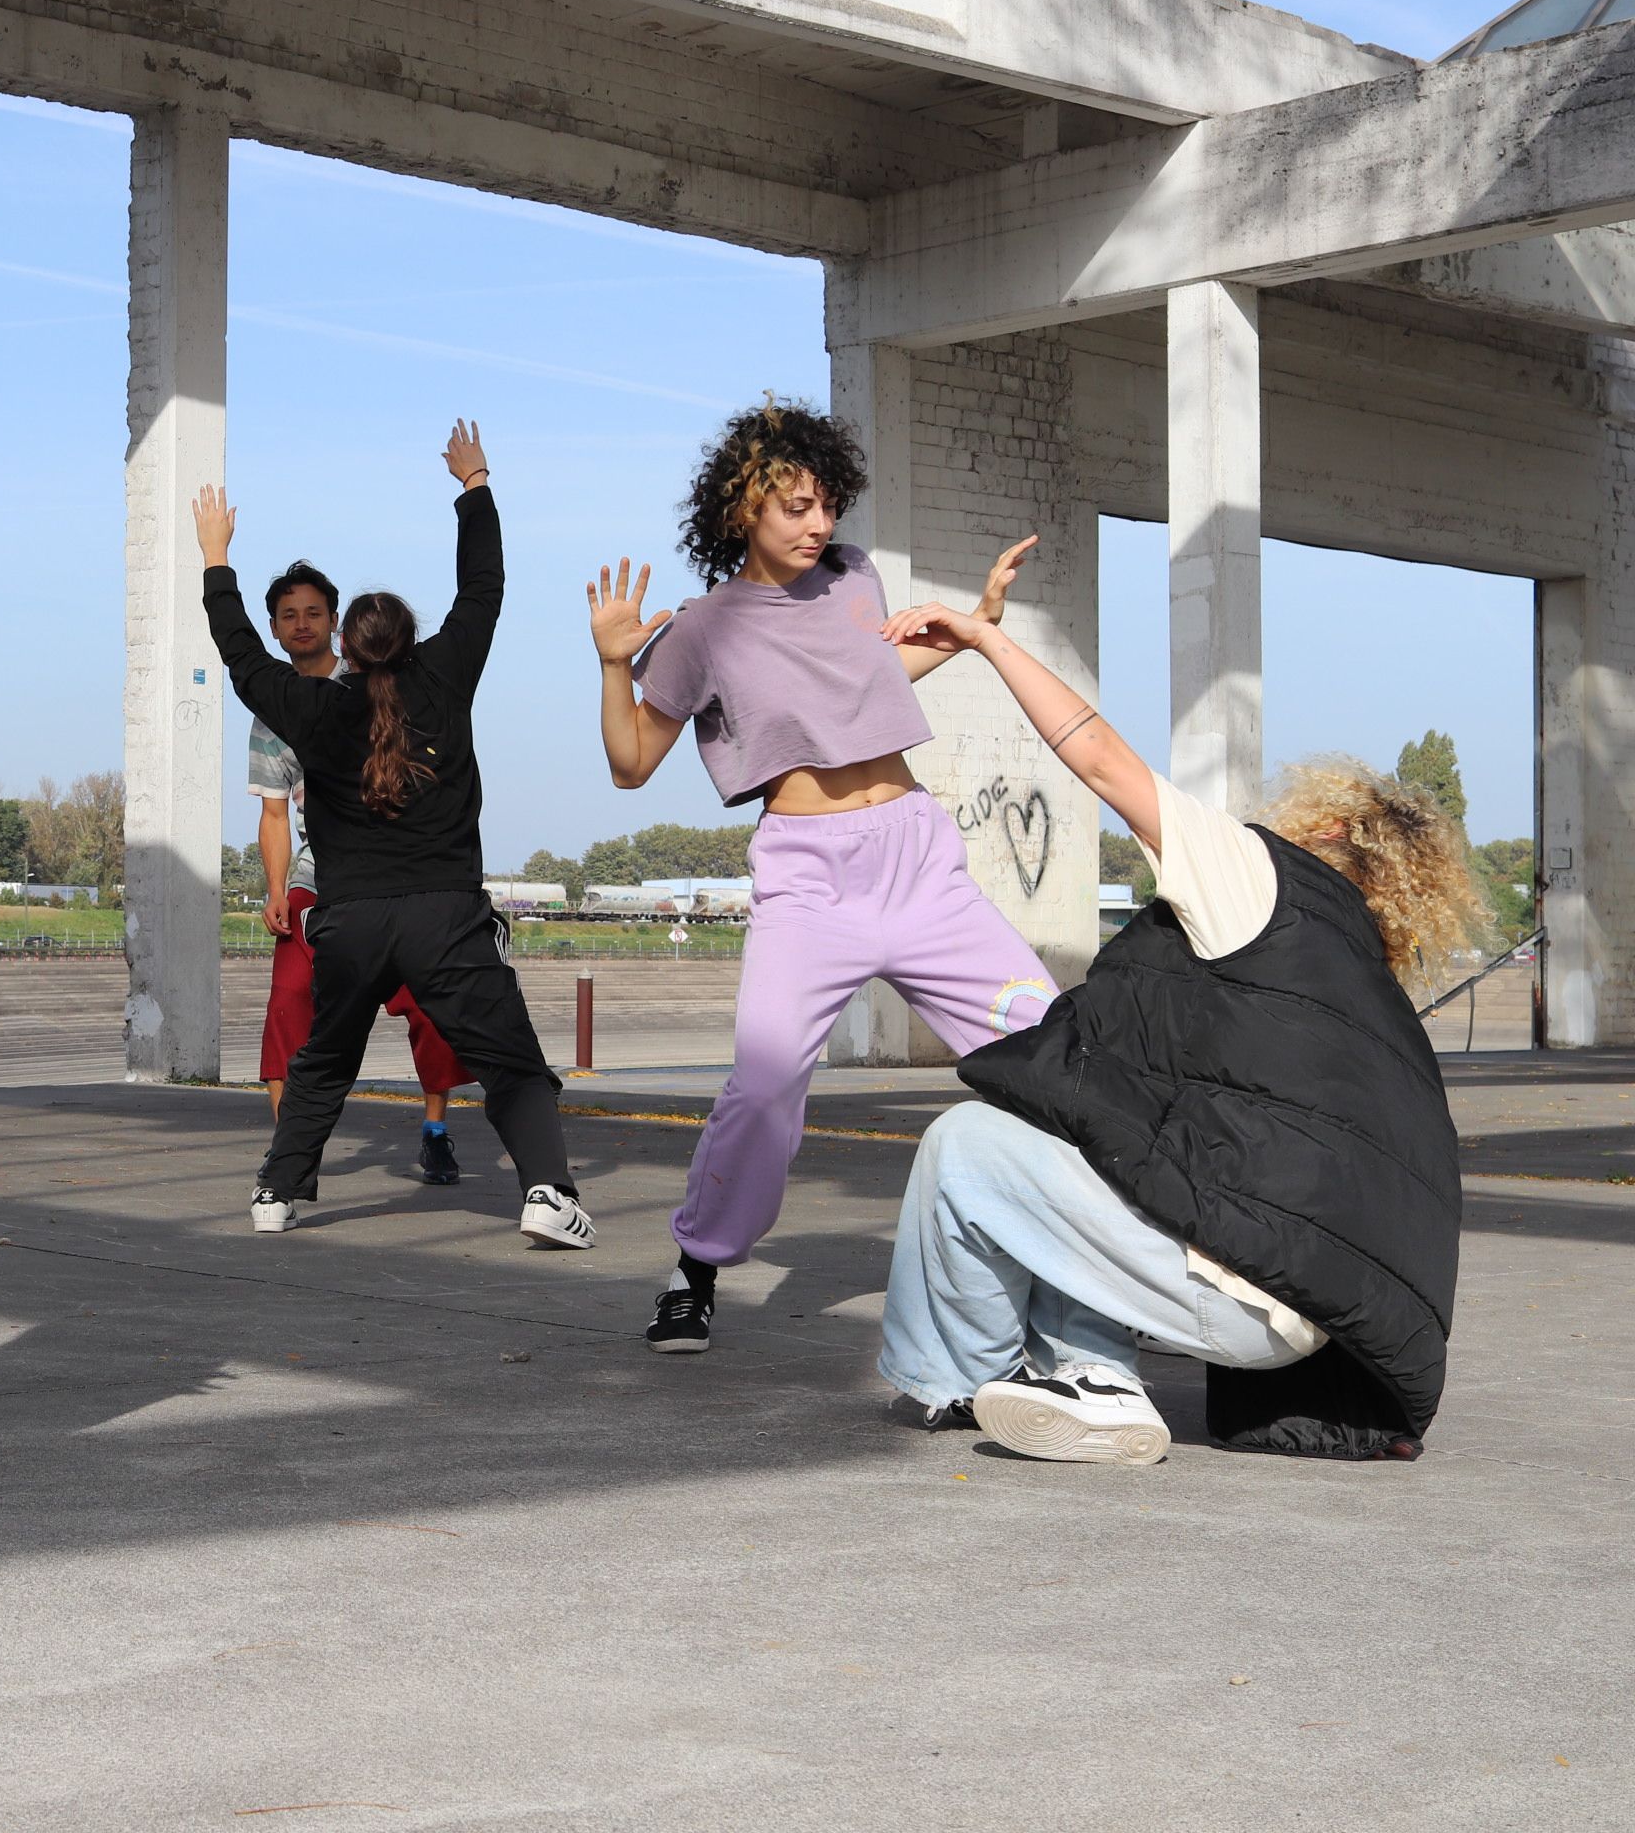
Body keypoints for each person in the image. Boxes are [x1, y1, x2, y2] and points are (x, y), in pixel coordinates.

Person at [870, 597, 1481, 1465]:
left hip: (1241, 1286)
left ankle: (959, 1383)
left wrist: (990, 641)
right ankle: (1096, 1379)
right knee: (1088, 1145)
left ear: (1332, 827)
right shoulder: (1367, 994)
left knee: (967, 1145)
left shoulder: (1259, 880)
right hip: (1310, 1315)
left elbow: (1102, 760)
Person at [589, 400, 1051, 1356]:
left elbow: (876, 677)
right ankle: (696, 1267)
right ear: (741, 509)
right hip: (810, 882)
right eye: (796, 507)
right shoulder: (703, 632)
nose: (819, 525)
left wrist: (978, 623)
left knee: (1052, 1054)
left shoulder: (854, 578)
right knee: (761, 1087)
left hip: (920, 864)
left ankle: (1099, 1263)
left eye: (827, 505)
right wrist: (611, 666)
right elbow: (632, 763)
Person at [203, 422, 593, 1251]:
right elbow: (483, 588)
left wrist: (216, 560)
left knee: (325, 1058)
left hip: (348, 922)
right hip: (445, 919)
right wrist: (473, 482)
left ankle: (278, 1191)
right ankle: (548, 1196)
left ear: (341, 642)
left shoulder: (311, 707)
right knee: (512, 1061)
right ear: (411, 640)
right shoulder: (447, 674)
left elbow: (239, 655)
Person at [248, 557, 474, 1182]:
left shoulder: (378, 684)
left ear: (337, 625)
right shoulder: (271, 716)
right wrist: (276, 891)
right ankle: (292, 1153)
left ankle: (435, 1130)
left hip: (394, 885)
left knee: (433, 1007)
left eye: (313, 613)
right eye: (288, 615)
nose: (302, 625)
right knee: (289, 1003)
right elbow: (272, 816)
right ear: (273, 628)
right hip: (315, 885)